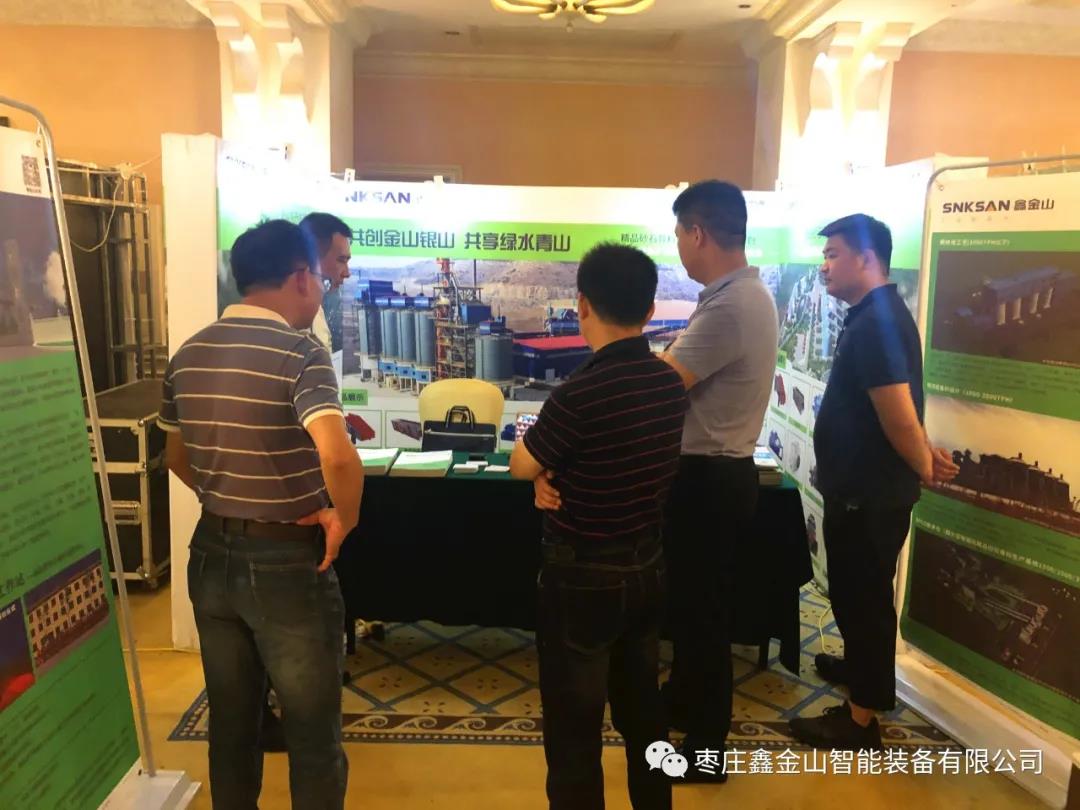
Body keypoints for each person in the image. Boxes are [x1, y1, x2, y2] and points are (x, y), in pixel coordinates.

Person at [160, 219, 364, 810]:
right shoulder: (301, 353)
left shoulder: (189, 353)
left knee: (232, 725)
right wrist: (341, 519)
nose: (324, 287)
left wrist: (229, 496)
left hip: (210, 557)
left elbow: (175, 456)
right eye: (322, 277)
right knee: (313, 733)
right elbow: (338, 457)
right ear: (301, 277)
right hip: (286, 566)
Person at [510, 243, 687, 810]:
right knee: (645, 716)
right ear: (650, 309)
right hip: (647, 568)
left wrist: (545, 472)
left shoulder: (578, 393)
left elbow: (522, 463)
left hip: (582, 580)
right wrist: (553, 471)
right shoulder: (667, 383)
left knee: (574, 730)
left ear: (582, 305)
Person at [788, 213, 958, 750]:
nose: (824, 265)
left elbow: (897, 415)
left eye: (833, 254)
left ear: (866, 259)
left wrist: (923, 462)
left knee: (864, 600)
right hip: (862, 489)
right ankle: (862, 670)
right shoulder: (876, 316)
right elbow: (900, 405)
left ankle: (860, 721)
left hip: (869, 495)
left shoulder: (876, 323)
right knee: (857, 594)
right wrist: (923, 453)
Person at [657, 179, 779, 778]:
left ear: (698, 233)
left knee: (704, 619)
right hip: (710, 475)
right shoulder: (733, 297)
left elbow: (665, 384)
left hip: (709, 480)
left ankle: (706, 752)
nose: (679, 245)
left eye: (679, 234)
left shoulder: (732, 305)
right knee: (690, 609)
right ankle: (683, 703)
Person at [299, 212, 353, 348]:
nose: (347, 273)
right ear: (311, 259)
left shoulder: (317, 312)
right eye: (341, 260)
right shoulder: (284, 319)